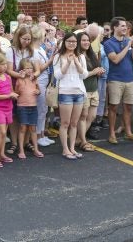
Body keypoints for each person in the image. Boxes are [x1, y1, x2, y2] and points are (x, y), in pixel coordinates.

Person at [104, 17, 133, 144]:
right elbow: (115, 59)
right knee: (113, 107)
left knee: (128, 107)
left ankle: (128, 132)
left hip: (130, 79)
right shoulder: (109, 43)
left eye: (126, 26)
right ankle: (112, 134)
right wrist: (127, 46)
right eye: (122, 26)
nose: (125, 28)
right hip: (115, 79)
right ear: (115, 27)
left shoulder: (128, 41)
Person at [5, 26, 40, 155]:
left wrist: (33, 75)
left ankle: (26, 142)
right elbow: (8, 70)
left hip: (29, 85)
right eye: (24, 39)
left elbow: (37, 69)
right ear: (18, 37)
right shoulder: (11, 51)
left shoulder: (33, 51)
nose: (26, 41)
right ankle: (15, 143)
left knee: (28, 117)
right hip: (15, 85)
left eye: (29, 39)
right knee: (14, 115)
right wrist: (20, 75)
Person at [53, 32, 88, 160]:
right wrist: (67, 63)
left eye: (74, 42)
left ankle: (72, 148)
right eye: (69, 41)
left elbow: (84, 75)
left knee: (74, 123)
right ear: (65, 42)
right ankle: (65, 149)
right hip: (65, 92)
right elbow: (57, 76)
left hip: (78, 92)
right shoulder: (58, 56)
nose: (72, 44)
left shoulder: (81, 56)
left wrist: (77, 63)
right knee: (65, 122)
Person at [0, 53, 18, 168]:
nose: (5, 66)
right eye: (2, 64)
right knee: (2, 132)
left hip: (8, 107)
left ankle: (1, 154)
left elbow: (11, 90)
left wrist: (14, 94)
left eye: (6, 64)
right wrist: (8, 96)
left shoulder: (8, 77)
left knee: (4, 133)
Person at [76, 32, 103, 150]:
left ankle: (78, 139)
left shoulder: (91, 55)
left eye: (87, 40)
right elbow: (79, 75)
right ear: (78, 42)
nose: (86, 42)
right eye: (83, 40)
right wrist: (93, 72)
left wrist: (100, 72)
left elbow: (95, 71)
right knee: (83, 117)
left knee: (91, 117)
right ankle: (83, 141)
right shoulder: (77, 56)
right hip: (84, 91)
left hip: (94, 89)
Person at [15, 59, 44, 159]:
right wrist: (20, 81)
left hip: (33, 106)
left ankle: (36, 149)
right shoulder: (19, 79)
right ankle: (21, 150)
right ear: (22, 69)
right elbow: (16, 92)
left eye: (31, 68)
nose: (29, 70)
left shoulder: (34, 79)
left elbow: (38, 90)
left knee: (33, 128)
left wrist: (38, 91)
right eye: (27, 68)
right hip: (22, 106)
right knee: (23, 128)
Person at [31, 25, 55, 147]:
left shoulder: (39, 49)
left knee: (43, 110)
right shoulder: (34, 51)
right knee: (40, 110)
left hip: (44, 81)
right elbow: (40, 68)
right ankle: (37, 136)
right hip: (39, 82)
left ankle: (41, 134)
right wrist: (51, 59)